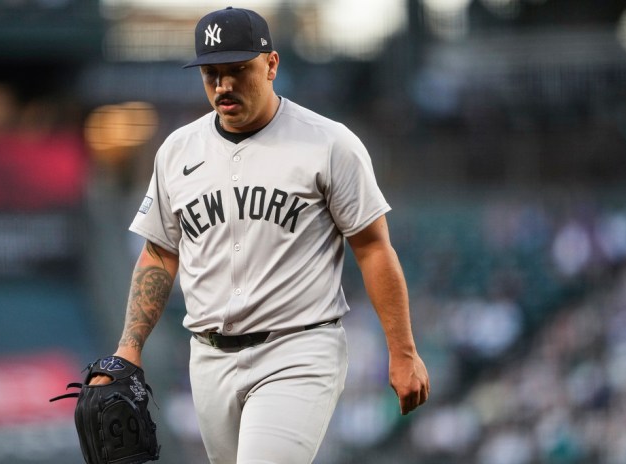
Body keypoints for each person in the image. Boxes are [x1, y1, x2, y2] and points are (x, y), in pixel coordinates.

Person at [92, 6, 430, 463]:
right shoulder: (176, 151)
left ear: (271, 65)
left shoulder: (329, 143)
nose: (223, 85)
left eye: (237, 70)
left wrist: (403, 351)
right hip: (208, 358)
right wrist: (128, 348)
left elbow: (372, 248)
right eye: (211, 72)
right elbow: (159, 252)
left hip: (298, 350)